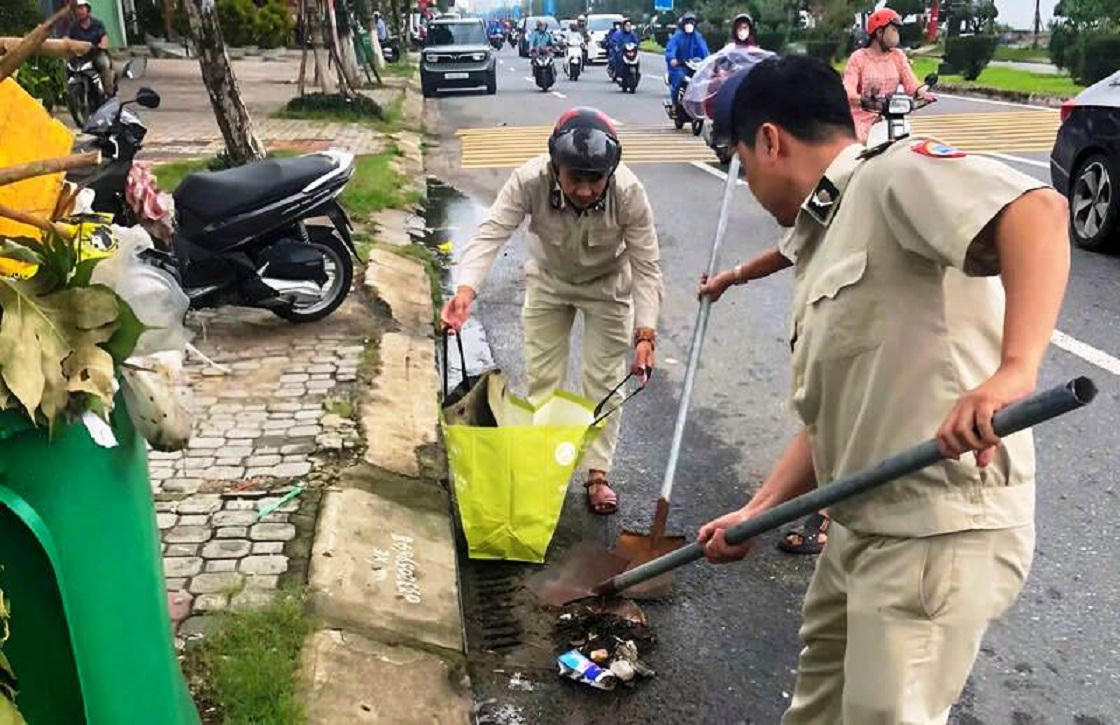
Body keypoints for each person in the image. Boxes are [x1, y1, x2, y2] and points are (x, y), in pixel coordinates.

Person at [696, 54, 1069, 722]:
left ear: (772, 141)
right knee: (816, 710)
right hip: (862, 524)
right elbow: (839, 412)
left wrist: (1015, 369)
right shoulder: (825, 231)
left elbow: (1038, 212)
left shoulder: (894, 173)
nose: (745, 178)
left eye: (741, 159)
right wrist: (758, 506)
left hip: (932, 528)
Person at [442, 108, 663, 516]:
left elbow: (646, 266)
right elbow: (492, 230)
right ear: (555, 166)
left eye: (594, 179)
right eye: (574, 177)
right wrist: (466, 289)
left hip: (607, 287)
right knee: (545, 377)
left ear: (609, 174)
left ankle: (597, 472)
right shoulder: (529, 180)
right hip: (549, 282)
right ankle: (549, 466)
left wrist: (645, 335)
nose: (584, 190)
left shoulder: (628, 192)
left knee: (602, 380)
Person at [843, 7, 935, 144]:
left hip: (891, 117)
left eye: (897, 30)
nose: (897, 34)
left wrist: (923, 91)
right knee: (858, 148)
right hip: (861, 120)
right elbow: (847, 91)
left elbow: (911, 84)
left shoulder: (898, 56)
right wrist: (865, 101)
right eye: (893, 30)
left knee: (907, 145)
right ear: (879, 32)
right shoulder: (858, 58)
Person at [68, 0, 114, 97]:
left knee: (104, 64)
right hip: (80, 57)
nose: (79, 11)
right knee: (67, 68)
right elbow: (68, 40)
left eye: (81, 8)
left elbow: (104, 38)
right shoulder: (73, 26)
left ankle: (109, 94)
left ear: (88, 10)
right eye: (77, 9)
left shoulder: (98, 24)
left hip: (96, 54)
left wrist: (102, 45)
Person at [665, 12, 710, 105]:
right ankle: (674, 104)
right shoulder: (677, 36)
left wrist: (709, 60)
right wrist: (672, 58)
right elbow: (671, 49)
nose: (689, 25)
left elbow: (704, 50)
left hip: (694, 66)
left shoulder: (697, 36)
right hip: (679, 66)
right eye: (687, 23)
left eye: (692, 23)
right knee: (677, 83)